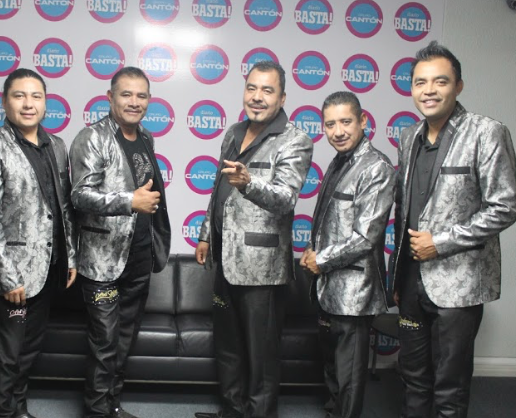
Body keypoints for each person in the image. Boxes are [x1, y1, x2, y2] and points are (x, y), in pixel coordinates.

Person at [390, 41, 516, 418]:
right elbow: (405, 210)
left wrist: (441, 242)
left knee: (450, 387)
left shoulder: (486, 132)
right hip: (411, 281)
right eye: (420, 82)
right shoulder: (408, 137)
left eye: (440, 81)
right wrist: (398, 274)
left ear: (458, 86)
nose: (429, 90)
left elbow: (505, 207)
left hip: (459, 285)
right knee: (412, 378)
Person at [194, 61, 313, 418]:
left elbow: (285, 198)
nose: (257, 97)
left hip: (262, 269)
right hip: (224, 260)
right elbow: (218, 190)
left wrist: (249, 184)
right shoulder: (233, 132)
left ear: (282, 97)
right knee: (228, 348)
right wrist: (206, 235)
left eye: (267, 90)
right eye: (252, 88)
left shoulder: (295, 140)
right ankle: (232, 411)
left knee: (261, 357)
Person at [0, 68, 77, 418]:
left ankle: (17, 407)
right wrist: (8, 276)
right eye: (19, 96)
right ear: (4, 102)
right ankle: (3, 411)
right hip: (10, 275)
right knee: (6, 352)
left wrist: (70, 258)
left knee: (29, 348)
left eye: (36, 96)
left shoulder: (56, 145)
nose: (28, 104)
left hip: (47, 267)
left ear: (45, 103)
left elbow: (62, 207)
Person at [70, 66, 171, 418]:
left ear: (149, 100)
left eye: (141, 95)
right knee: (104, 340)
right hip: (103, 259)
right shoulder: (91, 138)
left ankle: (111, 404)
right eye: (126, 94)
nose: (134, 102)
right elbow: (80, 195)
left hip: (139, 255)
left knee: (125, 338)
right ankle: (96, 411)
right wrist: (130, 201)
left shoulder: (146, 138)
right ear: (110, 97)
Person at [300, 91, 395, 418]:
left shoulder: (376, 167)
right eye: (330, 124)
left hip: (354, 293)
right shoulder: (340, 161)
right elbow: (330, 222)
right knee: (332, 371)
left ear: (363, 121)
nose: (338, 131)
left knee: (349, 376)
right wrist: (312, 250)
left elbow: (365, 237)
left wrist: (320, 259)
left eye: (345, 122)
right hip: (328, 288)